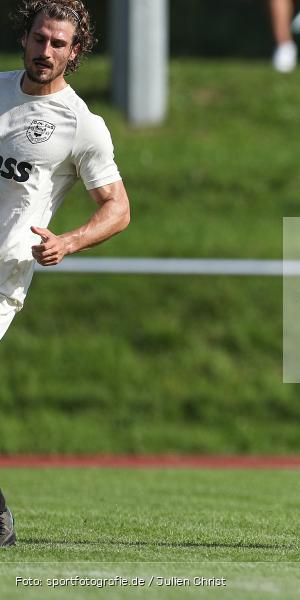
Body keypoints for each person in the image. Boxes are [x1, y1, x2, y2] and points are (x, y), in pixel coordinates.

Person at [0, 0, 131, 548]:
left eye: (58, 44)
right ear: (25, 38)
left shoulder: (82, 125)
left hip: (2, 274)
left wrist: (68, 241)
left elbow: (118, 208)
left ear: (75, 53)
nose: (45, 51)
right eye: (38, 39)